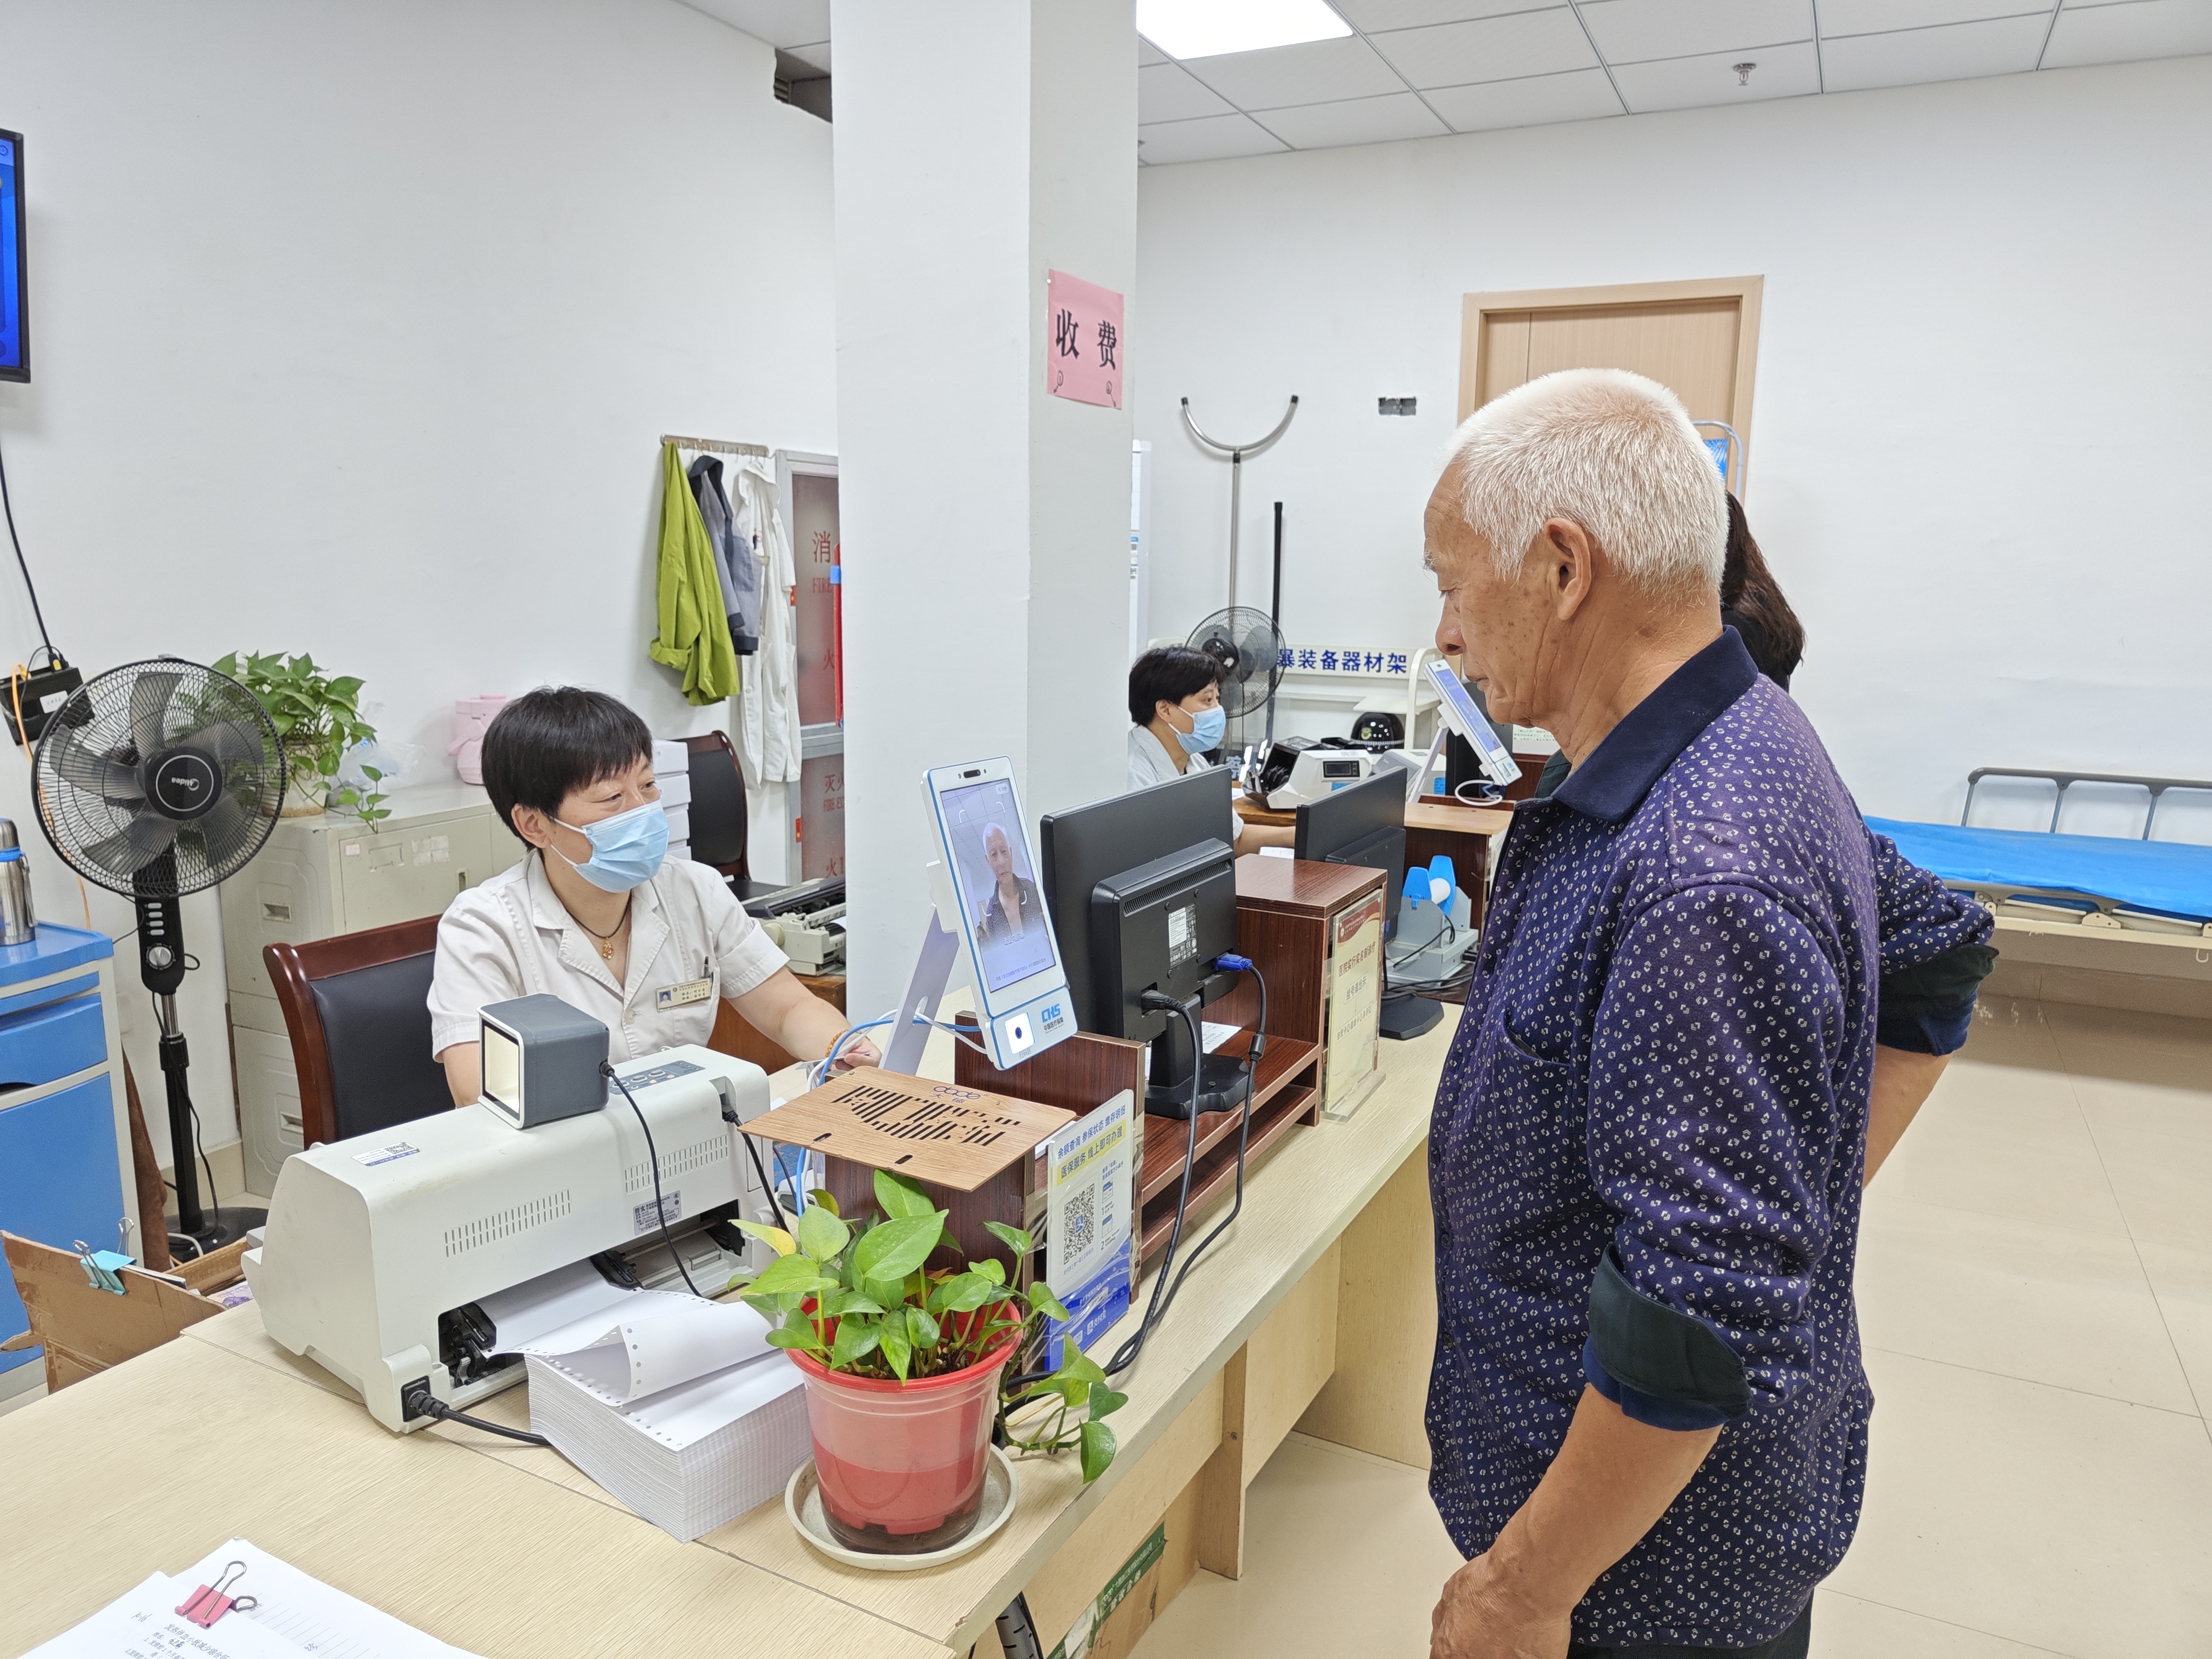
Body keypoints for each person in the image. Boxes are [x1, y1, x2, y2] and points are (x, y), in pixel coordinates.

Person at [1418, 369, 1988, 1658]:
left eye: (1453, 582)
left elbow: (1698, 1308)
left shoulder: (1703, 861)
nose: (1444, 631)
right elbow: (1936, 951)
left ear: (1562, 566)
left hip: (1642, 1576)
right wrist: (1799, 1193)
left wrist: (1520, 1586)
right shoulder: (1740, 738)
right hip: (1657, 1520)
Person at [1533, 490, 1991, 1184]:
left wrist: (1832, 1180)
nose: (1451, 629)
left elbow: (1940, 948)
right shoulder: (1665, 731)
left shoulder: (1713, 814)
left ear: (1578, 576)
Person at [427, 687, 875, 1105]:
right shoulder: (482, 927)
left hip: (689, 1150)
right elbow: (479, 1094)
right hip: (565, 1169)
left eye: (647, 786)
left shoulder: (694, 889)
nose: (643, 812)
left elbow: (787, 1008)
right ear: (534, 825)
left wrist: (841, 1049)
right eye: (611, 799)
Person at [1125, 645, 1293, 854]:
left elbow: (1235, 839)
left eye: (1217, 698)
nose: (1218, 709)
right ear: (1165, 710)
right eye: (1207, 700)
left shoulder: (1196, 763)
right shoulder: (1132, 774)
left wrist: (1295, 836)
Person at [973, 822, 1043, 944]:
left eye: (1004, 851)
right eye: (994, 855)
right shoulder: (991, 914)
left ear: (1010, 853)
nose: (1001, 862)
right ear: (988, 861)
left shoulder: (1031, 890)